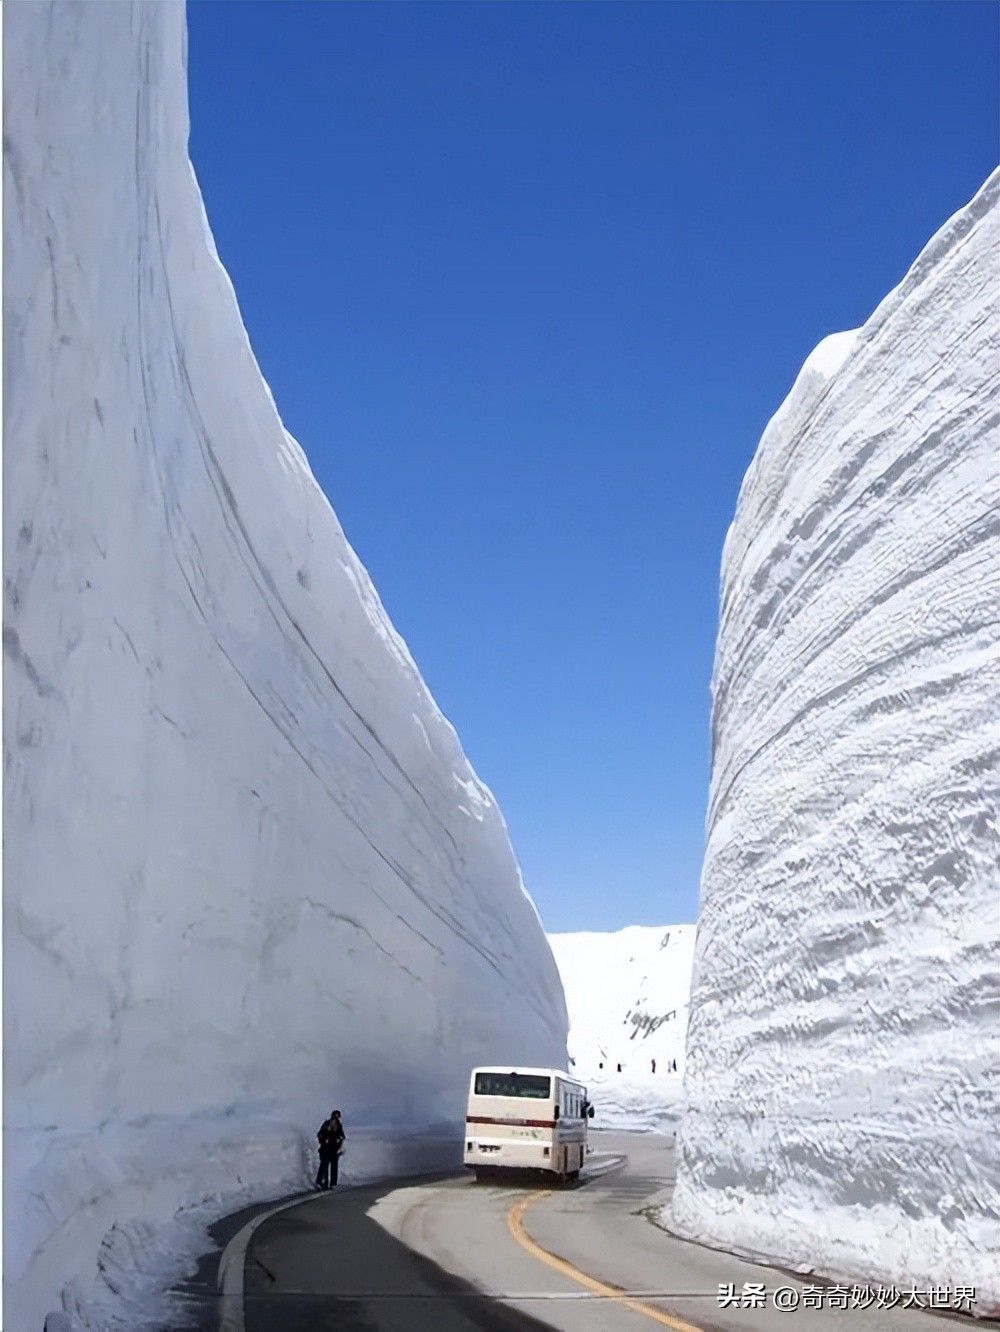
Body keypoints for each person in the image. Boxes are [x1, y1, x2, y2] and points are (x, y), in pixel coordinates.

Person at [315, 1109, 346, 1190]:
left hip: (334, 1150)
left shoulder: (339, 1126)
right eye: (335, 1117)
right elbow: (320, 1135)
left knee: (334, 1167)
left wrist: (339, 1139)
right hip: (325, 1149)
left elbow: (342, 1136)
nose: (336, 1120)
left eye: (337, 1117)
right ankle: (322, 1182)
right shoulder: (326, 1125)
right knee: (324, 1166)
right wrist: (324, 1139)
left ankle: (332, 1183)